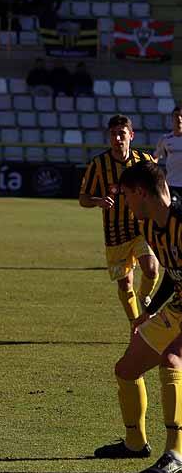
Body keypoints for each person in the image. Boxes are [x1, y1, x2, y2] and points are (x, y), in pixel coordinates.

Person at [97, 160, 182, 473]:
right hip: (177, 306)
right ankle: (135, 443)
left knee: (172, 359)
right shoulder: (148, 226)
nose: (127, 206)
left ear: (141, 193)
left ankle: (175, 453)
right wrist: (148, 311)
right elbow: (174, 275)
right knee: (126, 369)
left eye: (127, 198)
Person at [79, 115, 159, 328]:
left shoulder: (145, 162)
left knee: (151, 270)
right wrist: (97, 201)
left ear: (131, 135)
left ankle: (144, 296)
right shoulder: (98, 164)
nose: (117, 138)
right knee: (125, 283)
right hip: (115, 233)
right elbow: (83, 199)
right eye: (113, 134)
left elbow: (160, 191)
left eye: (121, 133)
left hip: (142, 228)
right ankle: (135, 325)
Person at [154, 106, 182, 203]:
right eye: (176, 116)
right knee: (173, 214)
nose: (179, 118)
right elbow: (155, 158)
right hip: (172, 184)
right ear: (172, 119)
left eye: (181, 115)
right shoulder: (165, 139)